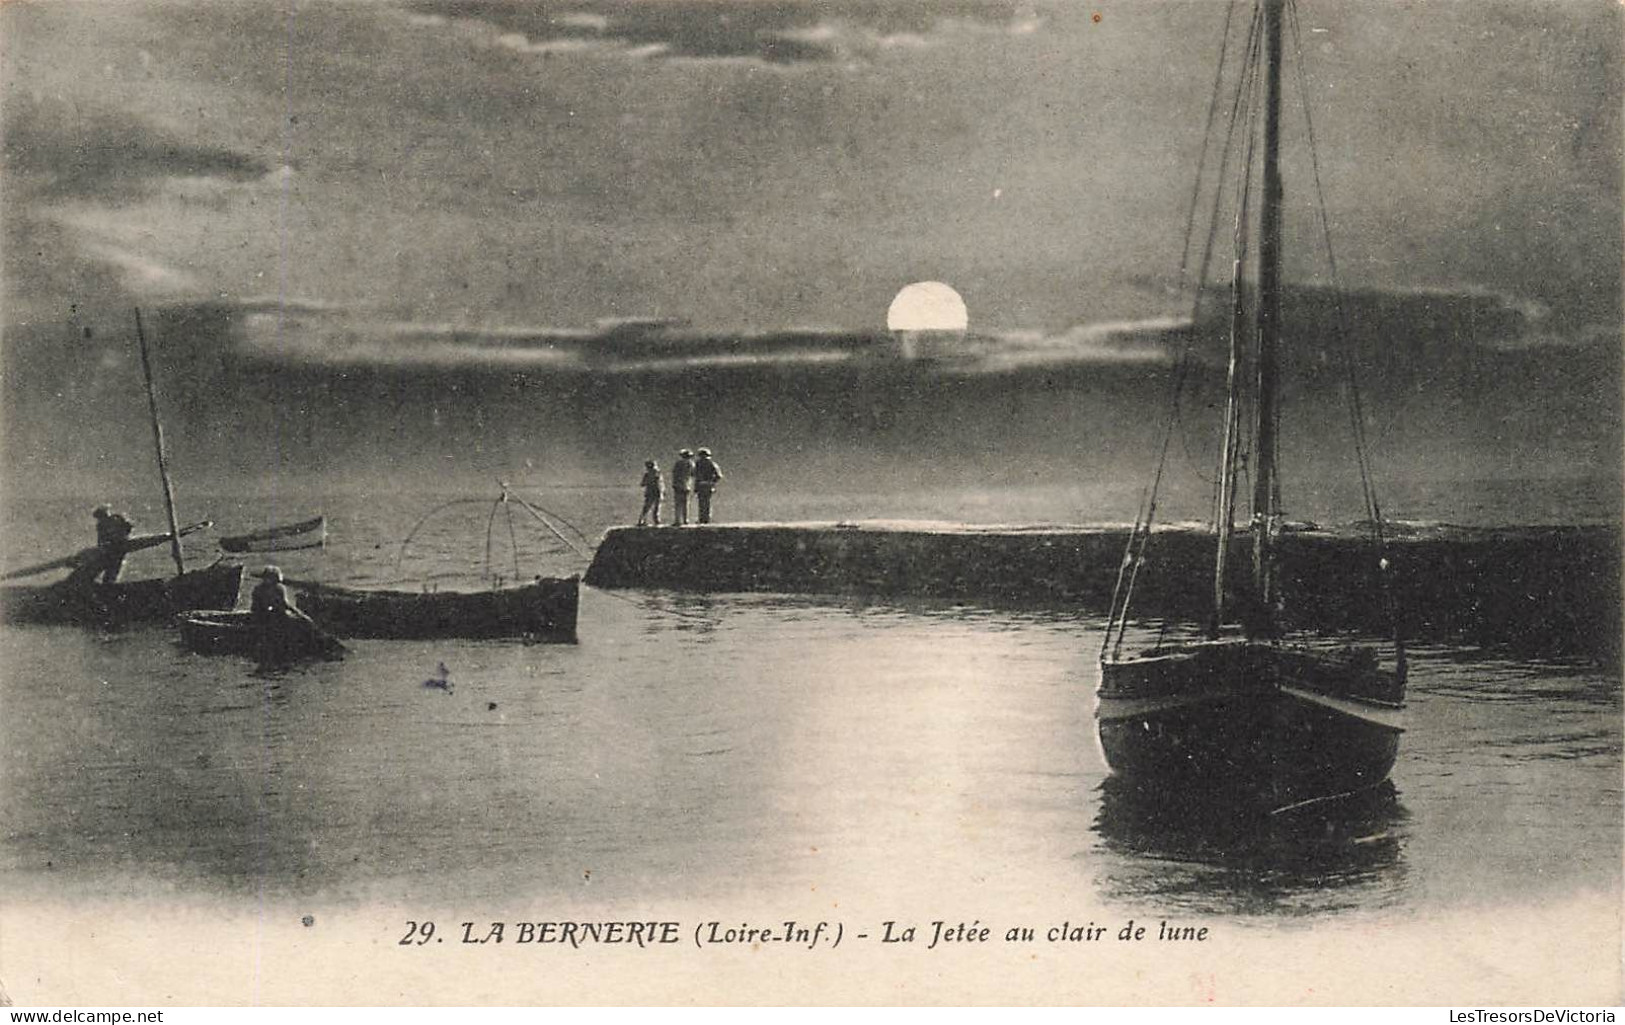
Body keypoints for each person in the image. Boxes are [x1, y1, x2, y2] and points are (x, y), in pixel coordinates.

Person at [67, 506, 135, 588]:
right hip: (111, 550)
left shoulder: (114, 520)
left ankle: (108, 586)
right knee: (111, 570)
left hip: (115, 548)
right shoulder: (106, 523)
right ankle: (108, 585)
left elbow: (126, 528)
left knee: (112, 570)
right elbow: (101, 539)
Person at [250, 566, 315, 628]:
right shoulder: (259, 589)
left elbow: (284, 603)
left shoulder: (279, 588)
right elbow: (256, 606)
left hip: (274, 614)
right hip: (263, 615)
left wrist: (299, 614)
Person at [693, 447, 724, 524]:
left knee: (702, 503)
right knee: (707, 502)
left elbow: (694, 475)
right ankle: (706, 519)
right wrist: (712, 482)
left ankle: (702, 519)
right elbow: (719, 475)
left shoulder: (697, 464)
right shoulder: (712, 464)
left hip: (701, 485)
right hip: (708, 485)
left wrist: (696, 486)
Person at [670, 449, 695, 526]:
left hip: (678, 485)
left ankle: (677, 520)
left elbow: (674, 474)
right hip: (687, 485)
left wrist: (674, 484)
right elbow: (693, 474)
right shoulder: (692, 464)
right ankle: (686, 520)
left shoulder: (678, 463)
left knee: (678, 504)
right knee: (686, 504)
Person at [637, 459, 663, 526]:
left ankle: (642, 520)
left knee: (647, 507)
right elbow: (660, 483)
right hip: (657, 491)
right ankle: (656, 520)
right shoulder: (657, 472)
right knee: (656, 507)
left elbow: (642, 484)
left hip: (650, 492)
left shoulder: (647, 474)